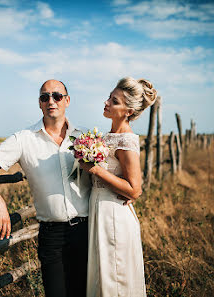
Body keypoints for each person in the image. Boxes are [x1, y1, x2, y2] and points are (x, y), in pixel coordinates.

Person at [0, 80, 91, 297]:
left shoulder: (85, 136)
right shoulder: (23, 139)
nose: (51, 101)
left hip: (87, 230)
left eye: (56, 96)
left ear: (67, 100)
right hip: (51, 235)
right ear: (39, 103)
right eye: (45, 97)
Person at [79, 77, 157, 297]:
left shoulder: (126, 141)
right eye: (109, 97)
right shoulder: (106, 137)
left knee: (114, 276)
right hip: (98, 209)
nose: (106, 102)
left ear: (128, 111)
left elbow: (135, 190)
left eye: (114, 101)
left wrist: (95, 169)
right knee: (102, 274)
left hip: (113, 213)